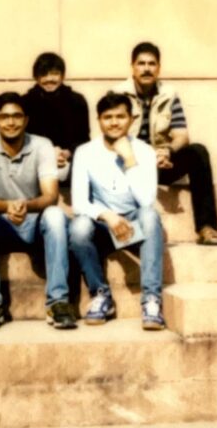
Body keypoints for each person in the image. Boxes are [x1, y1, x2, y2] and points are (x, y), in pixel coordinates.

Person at [0, 92, 75, 331]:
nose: (11, 122)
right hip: (2, 225)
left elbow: (51, 196)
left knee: (56, 216)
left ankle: (58, 303)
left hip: (35, 223)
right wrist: (8, 207)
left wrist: (25, 206)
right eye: (4, 117)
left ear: (26, 120)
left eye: (17, 116)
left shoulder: (42, 144)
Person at [69, 91, 165, 331]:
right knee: (79, 227)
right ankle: (101, 295)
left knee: (150, 216)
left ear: (131, 119)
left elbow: (146, 200)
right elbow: (79, 202)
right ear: (99, 120)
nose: (114, 122)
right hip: (104, 227)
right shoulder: (85, 152)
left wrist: (130, 159)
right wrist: (107, 216)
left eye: (120, 117)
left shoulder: (144, 151)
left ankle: (151, 300)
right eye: (107, 117)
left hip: (135, 227)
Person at [117, 42, 217, 246]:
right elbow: (114, 138)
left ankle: (207, 227)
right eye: (141, 64)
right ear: (132, 67)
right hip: (131, 164)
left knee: (198, 152)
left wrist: (167, 151)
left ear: (159, 67)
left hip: (161, 161)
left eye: (151, 64)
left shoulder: (169, 94)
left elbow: (181, 135)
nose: (146, 68)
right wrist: (147, 157)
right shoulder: (119, 94)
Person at [21, 52, 90, 183]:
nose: (49, 79)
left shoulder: (76, 101)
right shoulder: (25, 102)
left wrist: (68, 152)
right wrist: (47, 153)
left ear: (62, 76)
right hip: (34, 161)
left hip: (67, 161)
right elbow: (21, 139)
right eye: (44, 74)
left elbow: (83, 138)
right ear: (36, 77)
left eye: (54, 74)